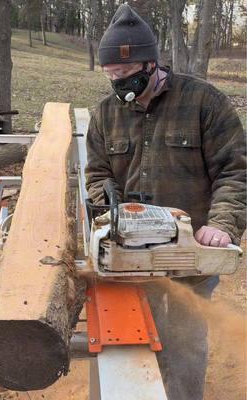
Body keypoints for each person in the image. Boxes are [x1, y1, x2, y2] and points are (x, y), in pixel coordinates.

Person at [85, 4, 246, 400]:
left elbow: (236, 172)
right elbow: (96, 173)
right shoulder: (106, 114)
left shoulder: (205, 103)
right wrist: (108, 202)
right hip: (131, 254)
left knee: (187, 338)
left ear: (152, 64)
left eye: (124, 75)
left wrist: (222, 225)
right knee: (139, 333)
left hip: (190, 251)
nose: (117, 84)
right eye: (110, 76)